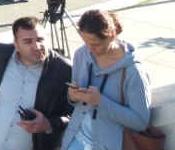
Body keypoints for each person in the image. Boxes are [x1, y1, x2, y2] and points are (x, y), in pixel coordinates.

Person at [0, 16, 73, 150]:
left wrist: (48, 124)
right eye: (28, 42)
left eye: (40, 40)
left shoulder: (64, 70)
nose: (36, 46)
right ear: (16, 45)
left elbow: (75, 114)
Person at [61, 10, 152, 150]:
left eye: (96, 44)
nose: (90, 49)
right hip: (76, 139)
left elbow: (140, 122)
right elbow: (75, 100)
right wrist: (72, 97)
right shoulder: (81, 54)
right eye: (86, 42)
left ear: (111, 36)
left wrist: (100, 101)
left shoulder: (133, 71)